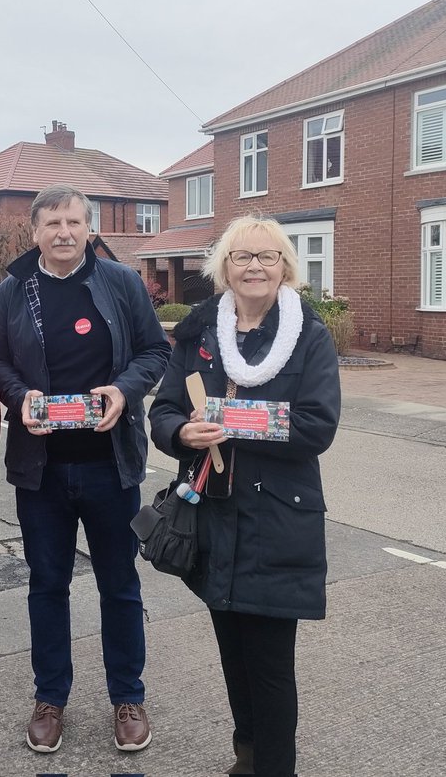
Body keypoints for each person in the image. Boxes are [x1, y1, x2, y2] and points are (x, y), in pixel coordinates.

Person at [148, 214, 341, 777]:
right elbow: (162, 411)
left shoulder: (309, 334)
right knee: (233, 653)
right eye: (242, 257)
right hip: (215, 515)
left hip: (279, 518)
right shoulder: (200, 332)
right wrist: (182, 432)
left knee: (271, 664)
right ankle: (247, 761)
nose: (254, 266)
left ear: (285, 267)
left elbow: (317, 426)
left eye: (267, 256)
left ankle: (276, 769)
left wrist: (235, 422)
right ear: (223, 268)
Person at [0, 184, 171, 755]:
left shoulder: (119, 283)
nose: (64, 232)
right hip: (40, 471)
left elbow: (155, 351)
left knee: (119, 585)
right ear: (35, 232)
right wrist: (20, 400)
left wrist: (123, 389)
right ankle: (50, 699)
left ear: (89, 229)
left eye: (74, 222)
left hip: (110, 467)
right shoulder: (16, 289)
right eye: (53, 223)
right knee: (47, 587)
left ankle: (128, 697)